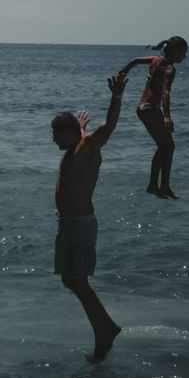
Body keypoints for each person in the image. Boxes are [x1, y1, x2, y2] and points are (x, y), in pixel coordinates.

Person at [52, 74, 126, 361]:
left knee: (78, 281)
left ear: (69, 133)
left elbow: (110, 126)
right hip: (68, 226)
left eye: (56, 134)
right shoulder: (77, 145)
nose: (53, 139)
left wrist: (116, 97)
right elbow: (81, 136)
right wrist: (80, 128)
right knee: (70, 281)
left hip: (80, 226)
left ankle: (105, 333)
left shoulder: (88, 147)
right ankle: (106, 328)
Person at [116, 35, 188, 199]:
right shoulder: (169, 68)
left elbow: (135, 61)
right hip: (150, 109)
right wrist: (167, 116)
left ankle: (161, 186)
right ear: (175, 51)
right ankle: (157, 186)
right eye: (183, 52)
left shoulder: (156, 60)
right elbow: (165, 92)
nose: (185, 56)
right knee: (167, 146)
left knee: (166, 146)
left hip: (143, 108)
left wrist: (124, 70)